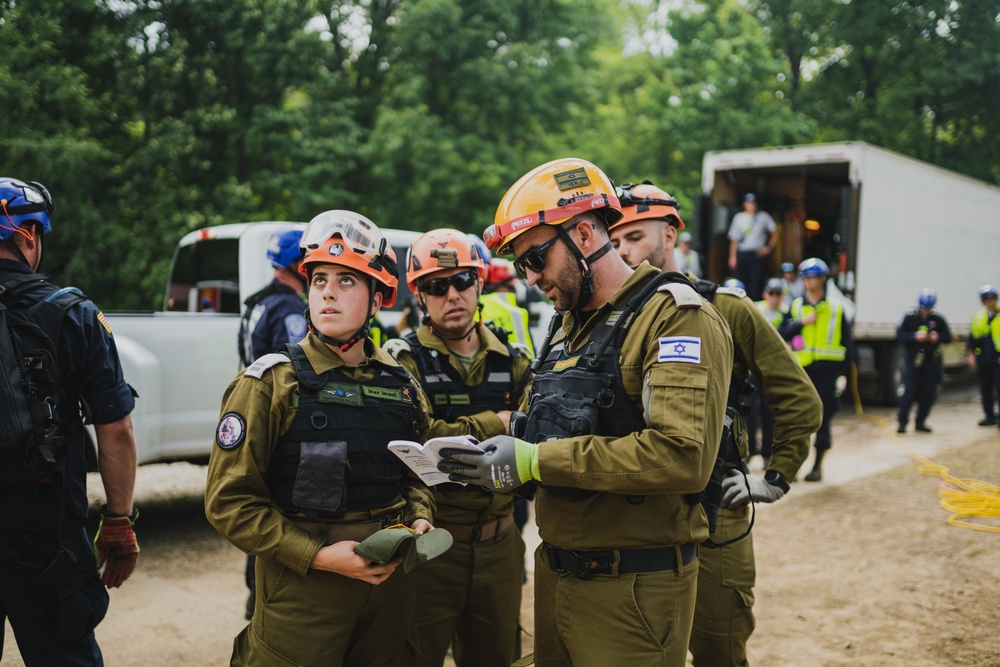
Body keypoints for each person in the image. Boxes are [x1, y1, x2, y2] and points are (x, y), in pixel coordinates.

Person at [440, 158, 734, 667]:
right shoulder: (564, 326)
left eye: (535, 259)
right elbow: (544, 428)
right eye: (519, 266)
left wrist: (534, 461)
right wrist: (504, 457)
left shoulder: (673, 316)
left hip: (633, 592)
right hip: (557, 578)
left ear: (582, 233)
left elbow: (681, 456)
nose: (529, 278)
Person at [204, 210, 438, 667]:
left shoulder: (402, 382)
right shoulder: (271, 383)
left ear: (377, 300)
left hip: (390, 594)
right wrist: (318, 556)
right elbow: (228, 503)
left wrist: (420, 515)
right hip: (304, 591)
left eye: (347, 281)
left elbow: (417, 473)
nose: (328, 291)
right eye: (319, 280)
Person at [610, 182, 820, 667]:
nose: (624, 251)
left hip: (714, 516)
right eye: (616, 242)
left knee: (718, 649)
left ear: (670, 235)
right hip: (636, 520)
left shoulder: (726, 309)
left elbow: (800, 400)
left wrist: (775, 476)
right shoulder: (610, 322)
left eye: (636, 237)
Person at [0, 177, 139, 664]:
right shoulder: (72, 314)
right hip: (44, 528)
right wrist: (119, 521)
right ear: (30, 236)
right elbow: (116, 430)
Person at [386, 229, 532, 667]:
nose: (452, 294)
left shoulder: (514, 359)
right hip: (432, 546)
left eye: (462, 281)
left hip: (500, 543)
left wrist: (454, 432)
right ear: (419, 295)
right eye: (436, 285)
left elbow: (534, 432)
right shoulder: (402, 360)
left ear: (480, 283)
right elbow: (420, 436)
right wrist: (498, 423)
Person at [235, 227, 308, 619]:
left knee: (258, 504)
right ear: (299, 263)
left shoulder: (256, 302)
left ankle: (257, 602)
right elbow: (297, 367)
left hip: (254, 417)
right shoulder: (289, 309)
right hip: (280, 425)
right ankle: (265, 604)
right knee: (276, 509)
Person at [780, 258, 857, 482]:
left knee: (823, 422)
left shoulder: (835, 308)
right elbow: (781, 333)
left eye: (811, 277)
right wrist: (802, 322)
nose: (807, 281)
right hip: (801, 373)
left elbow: (848, 344)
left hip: (827, 374)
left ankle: (817, 466)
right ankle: (792, 467)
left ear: (822, 279)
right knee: (797, 422)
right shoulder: (795, 306)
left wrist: (841, 373)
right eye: (804, 277)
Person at [896, 289, 953, 434]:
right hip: (913, 361)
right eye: (923, 308)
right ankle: (902, 423)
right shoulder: (910, 318)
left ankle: (920, 422)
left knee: (929, 393)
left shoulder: (938, 320)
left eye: (928, 309)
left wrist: (937, 337)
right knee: (908, 392)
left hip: (931, 362)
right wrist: (914, 336)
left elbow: (948, 337)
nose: (925, 311)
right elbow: (900, 335)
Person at [480, 256, 535, 355]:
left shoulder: (478, 306)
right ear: (501, 287)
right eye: (511, 286)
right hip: (521, 364)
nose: (513, 290)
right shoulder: (517, 311)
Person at [727, 193, 777, 300]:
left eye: (753, 203)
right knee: (740, 282)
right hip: (742, 253)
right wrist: (732, 257)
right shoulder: (739, 218)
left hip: (757, 254)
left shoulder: (763, 216)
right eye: (749, 203)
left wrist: (769, 247)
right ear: (745, 204)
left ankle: (755, 305)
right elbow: (734, 239)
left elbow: (775, 231)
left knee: (756, 283)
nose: (752, 206)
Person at [966, 284, 1000, 427]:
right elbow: (972, 338)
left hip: (997, 358)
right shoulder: (979, 315)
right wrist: (970, 355)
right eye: (987, 299)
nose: (990, 302)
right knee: (985, 389)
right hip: (983, 358)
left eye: (992, 299)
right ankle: (989, 416)